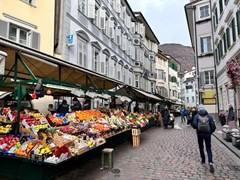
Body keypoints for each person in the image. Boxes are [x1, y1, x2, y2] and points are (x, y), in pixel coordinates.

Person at [192, 104, 216, 173]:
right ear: (204, 109)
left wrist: (198, 128)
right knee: (208, 147)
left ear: (199, 109)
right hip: (207, 134)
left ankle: (203, 159)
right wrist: (210, 132)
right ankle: (210, 162)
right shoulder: (209, 116)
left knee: (201, 147)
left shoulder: (197, 116)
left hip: (199, 134)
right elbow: (213, 126)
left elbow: (194, 125)